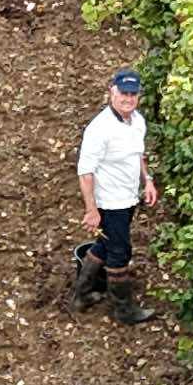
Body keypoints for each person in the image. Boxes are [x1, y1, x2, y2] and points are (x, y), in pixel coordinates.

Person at [70, 68, 156, 323]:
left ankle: (81, 295)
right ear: (112, 92)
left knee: (106, 245)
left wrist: (147, 180)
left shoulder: (137, 121)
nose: (128, 98)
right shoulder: (99, 129)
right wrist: (91, 209)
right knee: (120, 251)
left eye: (133, 94)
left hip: (129, 197)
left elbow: (137, 155)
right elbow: (85, 172)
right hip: (110, 203)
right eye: (123, 93)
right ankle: (124, 310)